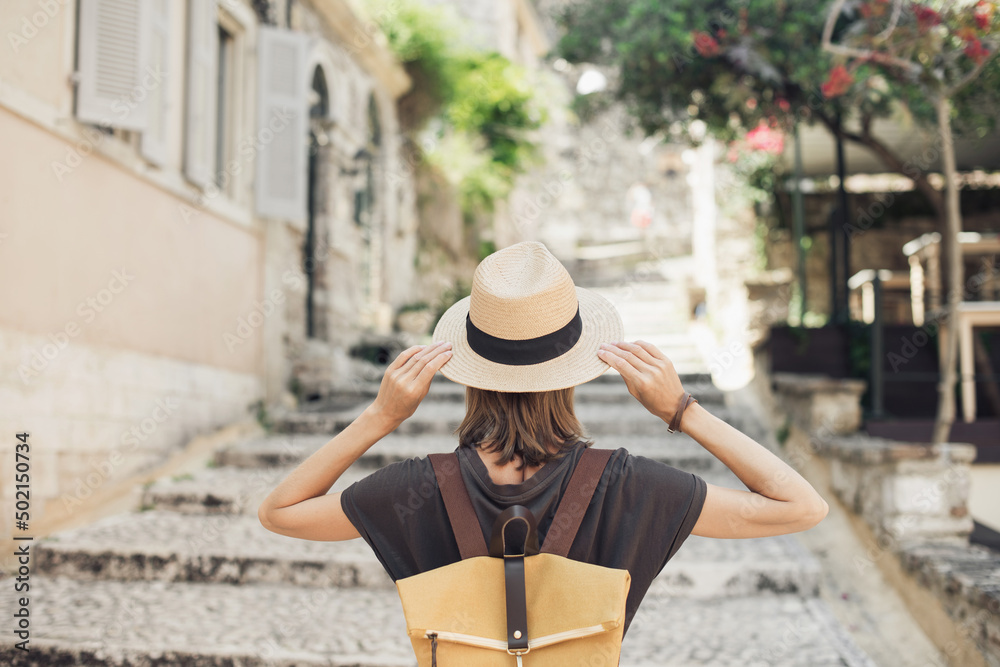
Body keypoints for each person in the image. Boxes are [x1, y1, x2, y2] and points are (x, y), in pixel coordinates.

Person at [257, 241, 829, 641]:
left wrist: (381, 416)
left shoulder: (419, 487)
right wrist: (681, 410)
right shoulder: (626, 484)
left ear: (470, 372)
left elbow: (281, 512)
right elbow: (800, 506)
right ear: (577, 373)